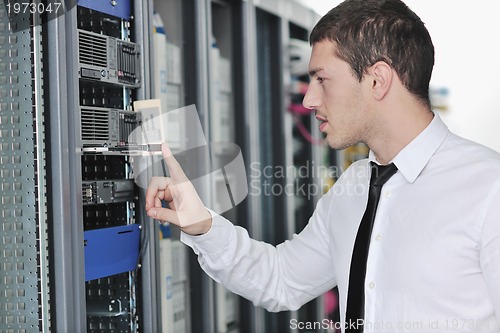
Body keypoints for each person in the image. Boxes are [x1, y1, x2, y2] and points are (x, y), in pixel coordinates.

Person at [145, 0, 500, 331]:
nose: (309, 98)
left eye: (322, 79)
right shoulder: (354, 187)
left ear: (377, 79)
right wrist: (201, 224)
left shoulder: (487, 188)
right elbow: (281, 280)